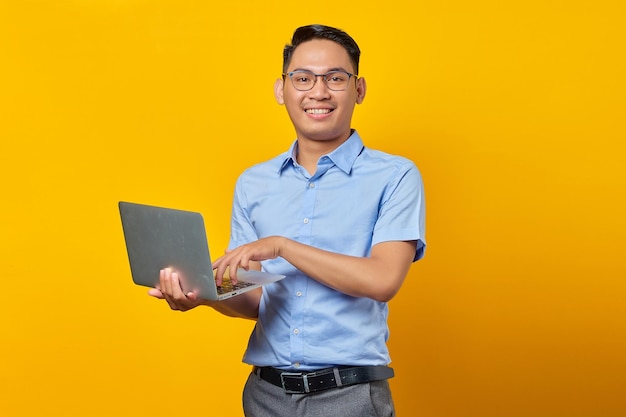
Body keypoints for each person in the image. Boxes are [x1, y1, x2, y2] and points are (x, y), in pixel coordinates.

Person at [150, 24, 426, 417]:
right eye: (302, 78)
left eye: (335, 78)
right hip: (266, 394)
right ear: (282, 91)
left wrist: (282, 246)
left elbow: (382, 281)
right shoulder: (254, 182)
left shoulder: (395, 176)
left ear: (359, 89)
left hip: (349, 395)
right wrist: (203, 296)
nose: (318, 92)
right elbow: (257, 299)